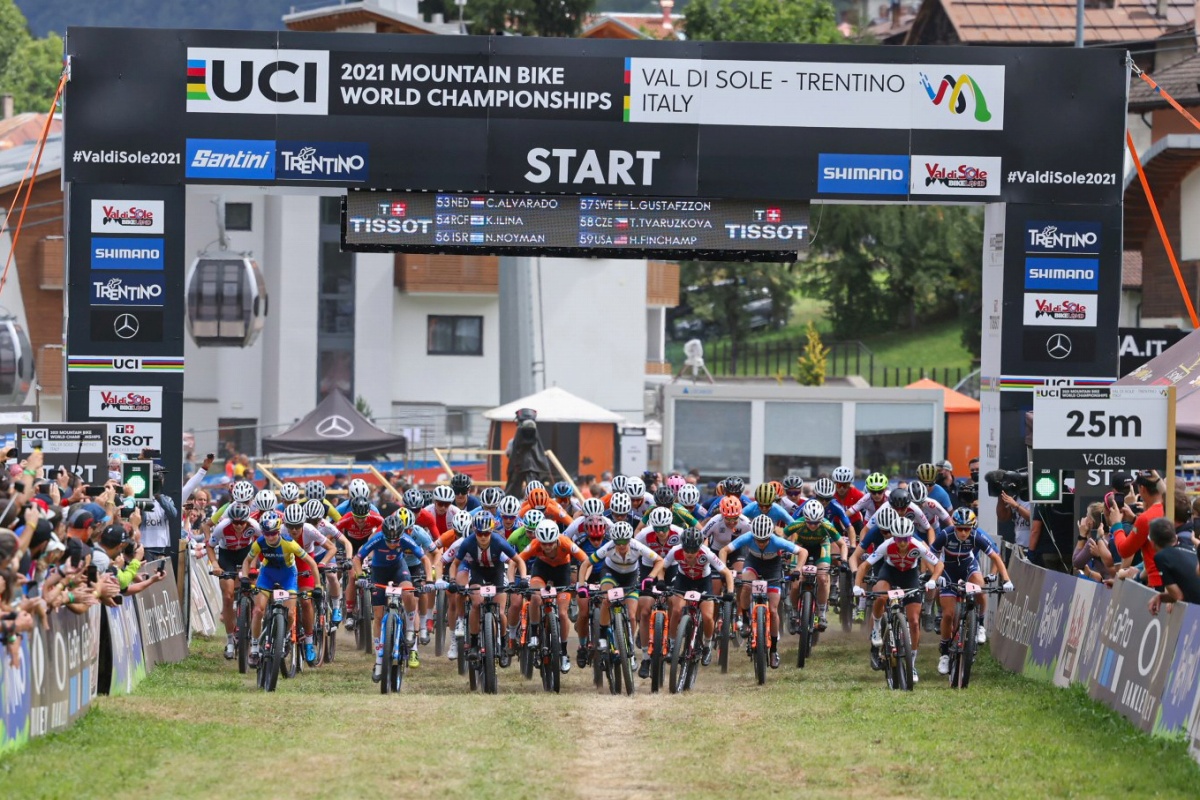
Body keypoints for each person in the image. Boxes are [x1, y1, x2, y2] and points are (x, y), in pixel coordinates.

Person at [853, 517, 944, 684]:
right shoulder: (886, 545)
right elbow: (864, 566)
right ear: (893, 537)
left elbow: (938, 564)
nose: (902, 543)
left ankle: (912, 664)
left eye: (906, 539)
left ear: (911, 536)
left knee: (915, 622)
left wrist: (933, 579)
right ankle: (877, 628)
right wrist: (857, 586)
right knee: (880, 595)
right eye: (899, 539)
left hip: (910, 575)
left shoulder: (917, 545)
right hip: (890, 571)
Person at [930, 508, 1012, 676]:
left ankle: (979, 624)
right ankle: (945, 652)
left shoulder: (976, 536)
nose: (963, 532)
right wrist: (935, 576)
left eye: (967, 529)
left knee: (980, 587)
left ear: (972, 528)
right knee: (948, 615)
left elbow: (996, 557)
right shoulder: (945, 535)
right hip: (948, 570)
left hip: (968, 565)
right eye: (959, 528)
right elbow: (930, 555)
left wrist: (1007, 579)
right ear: (954, 526)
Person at [352, 513, 431, 681]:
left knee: (408, 592)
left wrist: (429, 579)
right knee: (379, 615)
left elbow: (425, 558)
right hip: (378, 572)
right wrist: (360, 577)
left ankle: (410, 629)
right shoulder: (378, 538)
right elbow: (357, 558)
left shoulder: (405, 539)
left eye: (397, 541)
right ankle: (379, 661)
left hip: (398, 568)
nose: (394, 544)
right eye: (390, 540)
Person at [720, 515, 805, 669]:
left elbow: (803, 552)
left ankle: (773, 650)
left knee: (773, 610)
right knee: (745, 586)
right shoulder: (748, 537)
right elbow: (724, 550)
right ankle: (745, 619)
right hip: (753, 563)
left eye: (764, 540)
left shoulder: (777, 541)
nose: (761, 543)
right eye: (757, 540)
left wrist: (797, 569)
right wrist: (724, 570)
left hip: (773, 568)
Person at [242, 513, 321, 668]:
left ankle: (284, 639)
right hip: (267, 574)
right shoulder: (259, 543)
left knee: (291, 613)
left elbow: (311, 563)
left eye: (273, 533)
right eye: (267, 534)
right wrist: (245, 577)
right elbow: (247, 561)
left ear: (278, 531)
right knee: (258, 610)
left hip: (288, 575)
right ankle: (255, 647)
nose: (270, 537)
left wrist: (317, 586)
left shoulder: (289, 543)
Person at [1114, 470, 1165, 591]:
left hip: (1157, 582)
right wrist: (1134, 519)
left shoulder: (1145, 518)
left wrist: (1116, 525)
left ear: (1142, 489)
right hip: (1175, 579)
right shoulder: (1173, 509)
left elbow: (1124, 550)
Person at [1148, 517, 1200, 611]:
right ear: (1175, 537)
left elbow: (1178, 596)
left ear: (1152, 543)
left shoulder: (1161, 557)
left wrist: (1161, 596)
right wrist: (1161, 596)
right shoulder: (1189, 547)